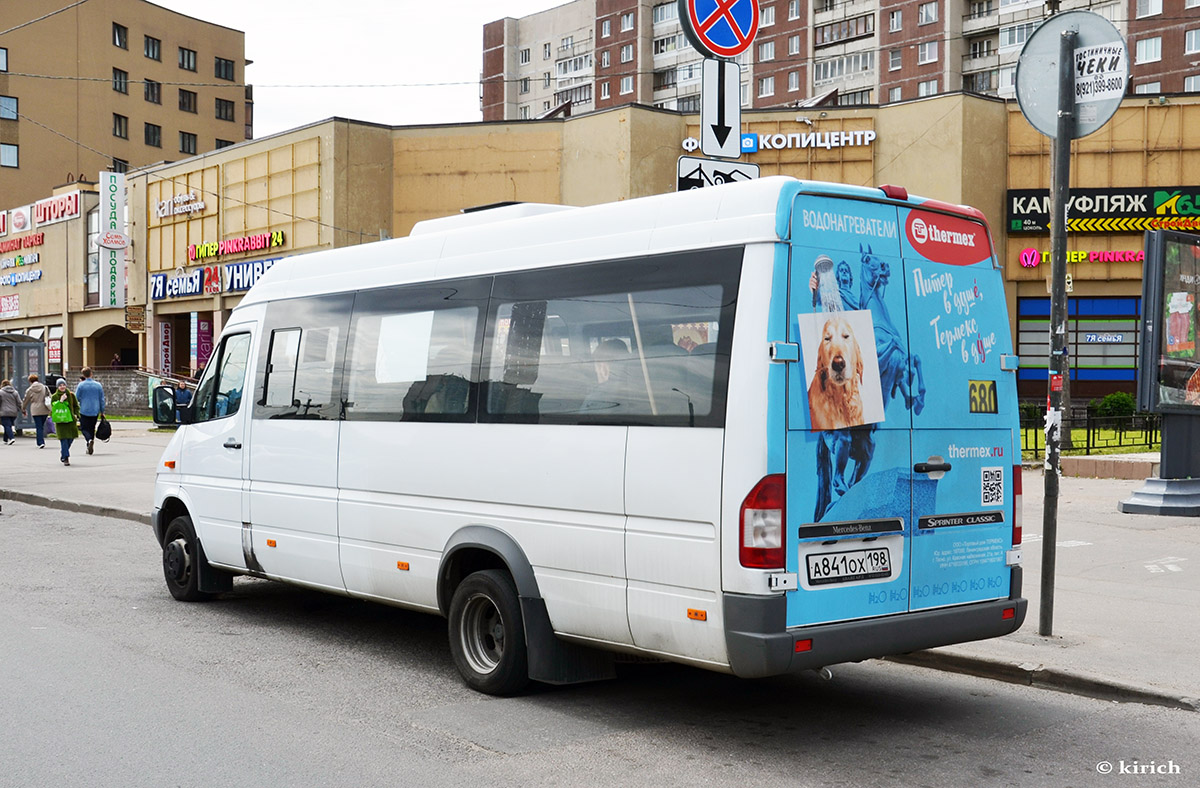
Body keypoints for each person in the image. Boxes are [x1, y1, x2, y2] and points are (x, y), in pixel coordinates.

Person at [75, 367, 106, 455]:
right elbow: (102, 399)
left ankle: (89, 440)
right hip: (95, 410)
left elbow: (76, 398)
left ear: (83, 375)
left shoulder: (81, 385)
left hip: (84, 409)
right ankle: (91, 441)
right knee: (92, 428)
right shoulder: (98, 385)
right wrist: (102, 411)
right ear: (91, 374)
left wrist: (75, 408)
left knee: (84, 428)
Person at [49, 379, 80, 466]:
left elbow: (76, 406)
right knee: (64, 439)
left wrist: (76, 415)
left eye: (63, 385)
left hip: (71, 421)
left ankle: (63, 452)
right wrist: (61, 401)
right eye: (60, 385)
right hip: (61, 421)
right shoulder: (54, 396)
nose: (62, 387)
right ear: (57, 387)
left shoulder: (71, 395)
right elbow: (53, 408)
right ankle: (66, 458)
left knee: (70, 438)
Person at [20, 373, 50, 449]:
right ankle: (41, 440)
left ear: (30, 381)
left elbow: (25, 400)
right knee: (42, 426)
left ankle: (40, 442)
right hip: (45, 408)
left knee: (38, 426)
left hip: (35, 410)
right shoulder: (44, 387)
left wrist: (23, 408)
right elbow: (50, 396)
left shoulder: (29, 390)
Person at [0, 379, 20, 444]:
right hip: (14, 412)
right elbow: (19, 402)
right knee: (8, 425)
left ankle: (11, 438)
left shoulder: (1, 392)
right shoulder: (15, 392)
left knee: (7, 425)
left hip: (4, 412)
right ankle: (5, 439)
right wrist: (20, 409)